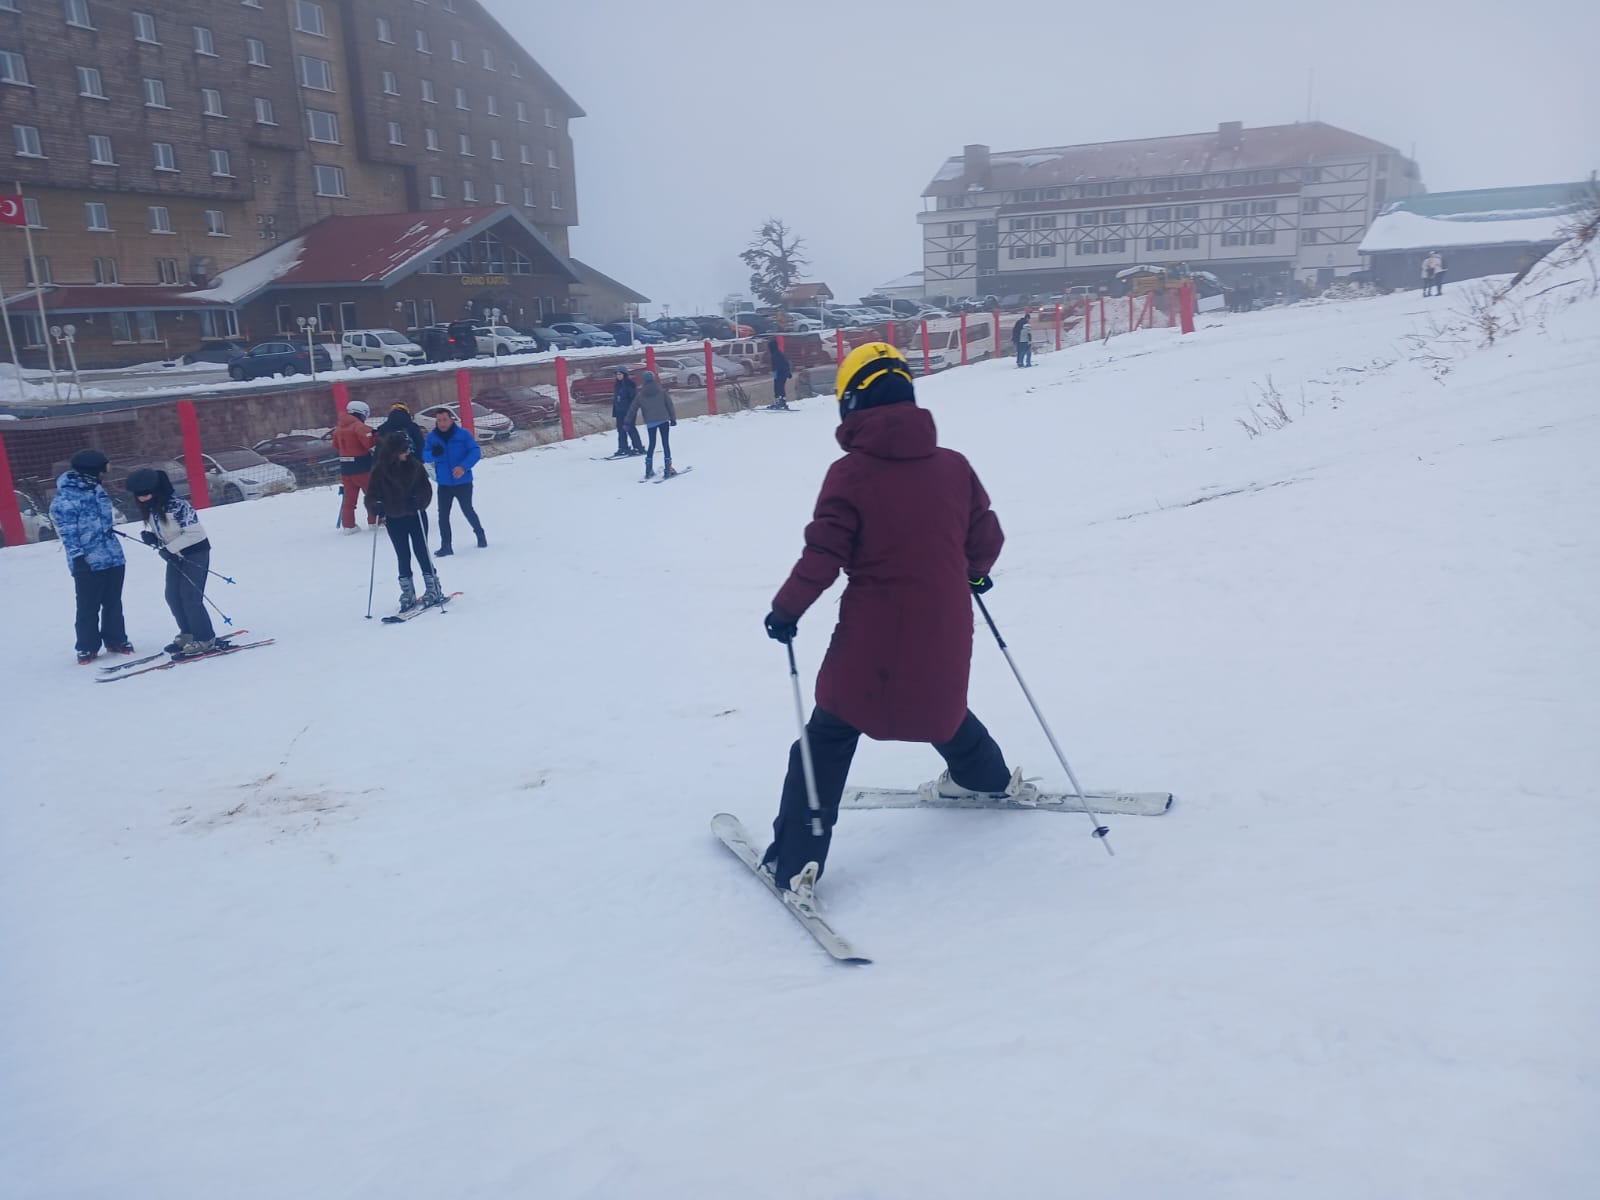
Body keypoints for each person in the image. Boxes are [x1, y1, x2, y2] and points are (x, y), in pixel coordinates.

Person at [758, 342, 1036, 901]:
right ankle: (987, 780)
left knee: (830, 734)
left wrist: (787, 609)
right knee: (939, 705)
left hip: (873, 632)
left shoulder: (850, 473)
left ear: (851, 403)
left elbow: (824, 554)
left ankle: (794, 863)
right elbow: (985, 537)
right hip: (945, 620)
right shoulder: (954, 466)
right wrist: (974, 574)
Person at [48, 448, 131, 664]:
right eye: (103, 469)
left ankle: (116, 639)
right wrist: (78, 558)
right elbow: (67, 533)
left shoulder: (97, 490)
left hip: (112, 556)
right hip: (87, 562)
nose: (105, 474)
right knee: (88, 606)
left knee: (113, 602)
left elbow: (105, 520)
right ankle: (87, 646)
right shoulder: (65, 499)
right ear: (92, 470)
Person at [126, 467, 217, 658]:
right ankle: (188, 633)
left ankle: (205, 638)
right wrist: (154, 538)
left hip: (195, 552)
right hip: (176, 555)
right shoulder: (152, 507)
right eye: (139, 496)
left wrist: (168, 549)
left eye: (146, 494)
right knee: (173, 596)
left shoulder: (178, 505)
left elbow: (195, 534)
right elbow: (169, 533)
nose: (142, 498)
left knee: (190, 597)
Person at [365, 432, 443, 612]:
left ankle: (434, 588)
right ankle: (407, 593)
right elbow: (372, 494)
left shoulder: (415, 466)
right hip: (394, 518)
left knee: (421, 551)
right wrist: (375, 505)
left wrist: (420, 500)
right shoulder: (380, 470)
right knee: (402, 554)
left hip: (415, 516)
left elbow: (426, 490)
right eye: (404, 450)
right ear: (394, 451)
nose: (407, 453)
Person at [423, 407, 485, 556]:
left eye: (444, 419)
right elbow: (424, 455)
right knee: (443, 514)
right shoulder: (432, 437)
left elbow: (475, 451)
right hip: (444, 483)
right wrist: (433, 454)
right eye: (439, 420)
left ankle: (480, 535)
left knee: (467, 509)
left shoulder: (462, 434)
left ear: (451, 419)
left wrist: (463, 467)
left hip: (462, 481)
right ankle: (446, 546)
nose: (442, 423)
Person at [332, 399, 377, 533]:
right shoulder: (358, 426)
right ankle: (374, 521)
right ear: (362, 413)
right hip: (362, 466)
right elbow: (368, 442)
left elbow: (335, 445)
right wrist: (376, 435)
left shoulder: (338, 428)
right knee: (371, 495)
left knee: (349, 499)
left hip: (346, 468)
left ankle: (348, 525)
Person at [627, 370, 678, 479]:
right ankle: (668, 468)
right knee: (665, 443)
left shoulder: (640, 395)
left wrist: (627, 422)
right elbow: (669, 405)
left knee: (652, 444)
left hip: (651, 422)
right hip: (664, 420)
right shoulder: (661, 391)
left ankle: (648, 469)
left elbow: (632, 409)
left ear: (644, 381)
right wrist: (673, 419)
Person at [612, 368, 644, 456]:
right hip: (619, 411)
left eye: (620, 374)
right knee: (620, 430)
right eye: (617, 374)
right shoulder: (617, 385)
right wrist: (615, 410)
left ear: (624, 375)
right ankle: (623, 447)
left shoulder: (630, 384)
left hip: (629, 411)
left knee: (630, 428)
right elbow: (616, 399)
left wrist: (631, 410)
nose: (618, 376)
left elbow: (634, 399)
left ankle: (638, 447)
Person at [768, 338, 793, 410]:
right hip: (782, 373)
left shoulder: (775, 355)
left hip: (780, 373)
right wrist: (788, 373)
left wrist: (776, 372)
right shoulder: (779, 353)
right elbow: (786, 363)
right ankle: (782, 401)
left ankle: (780, 401)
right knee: (780, 387)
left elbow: (778, 365)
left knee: (778, 388)